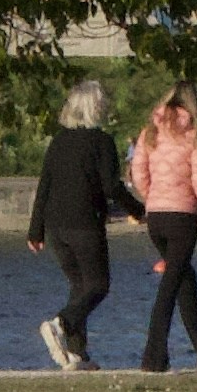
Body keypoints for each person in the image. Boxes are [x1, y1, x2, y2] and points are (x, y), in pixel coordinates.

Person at [25, 80, 130, 370]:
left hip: (56, 225)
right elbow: (111, 186)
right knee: (98, 285)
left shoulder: (59, 141)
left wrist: (35, 230)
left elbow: (45, 184)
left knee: (79, 286)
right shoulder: (101, 142)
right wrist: (137, 209)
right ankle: (60, 324)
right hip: (84, 222)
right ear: (98, 108)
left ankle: (77, 354)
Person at [126, 83, 197, 369]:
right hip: (183, 217)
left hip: (157, 216)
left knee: (183, 277)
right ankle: (153, 355)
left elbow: (138, 172)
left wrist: (152, 197)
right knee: (171, 284)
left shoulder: (150, 133)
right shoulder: (195, 136)